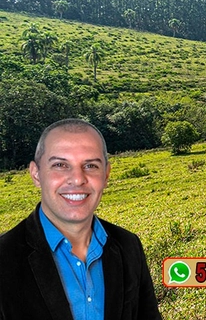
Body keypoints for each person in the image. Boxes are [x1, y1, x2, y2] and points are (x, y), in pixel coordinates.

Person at [0, 118, 162, 320]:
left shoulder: (128, 245)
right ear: (36, 174)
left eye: (91, 166)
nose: (77, 179)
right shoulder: (4, 257)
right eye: (60, 165)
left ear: (106, 174)